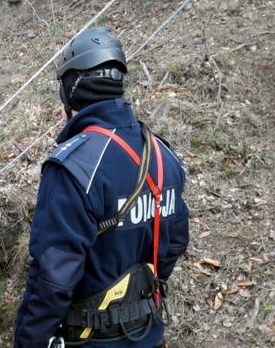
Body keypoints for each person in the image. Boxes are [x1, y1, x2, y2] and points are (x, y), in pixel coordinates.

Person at [13, 27, 190, 347]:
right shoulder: (163, 155)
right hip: (148, 333)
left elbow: (51, 279)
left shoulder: (73, 166)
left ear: (69, 91)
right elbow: (175, 242)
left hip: (89, 338)